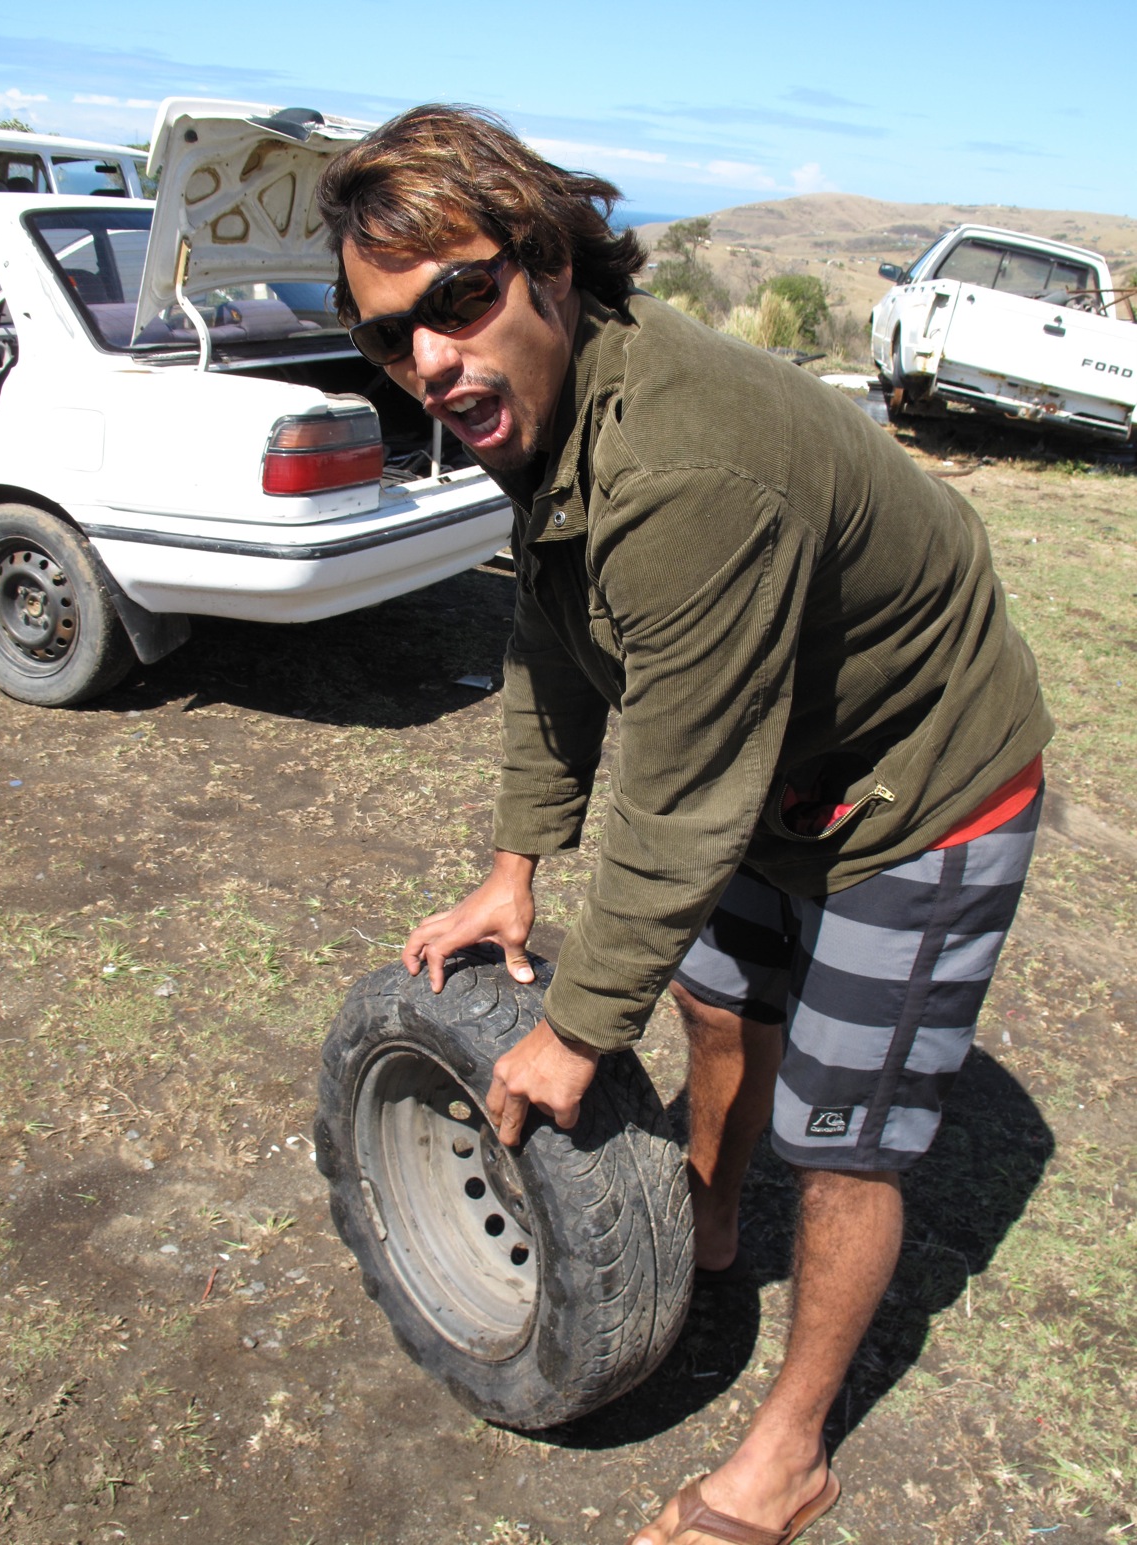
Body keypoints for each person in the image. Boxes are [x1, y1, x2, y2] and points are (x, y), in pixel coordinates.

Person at [317, 107, 1051, 1545]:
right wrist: (514, 871)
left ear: (547, 264)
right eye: (389, 337)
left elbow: (679, 790)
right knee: (721, 1003)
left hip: (919, 784)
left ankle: (790, 1454)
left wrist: (579, 1027)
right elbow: (551, 636)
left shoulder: (682, 467)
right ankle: (708, 1226)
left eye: (456, 299)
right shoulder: (544, 416)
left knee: (842, 1134)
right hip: (778, 765)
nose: (430, 362)